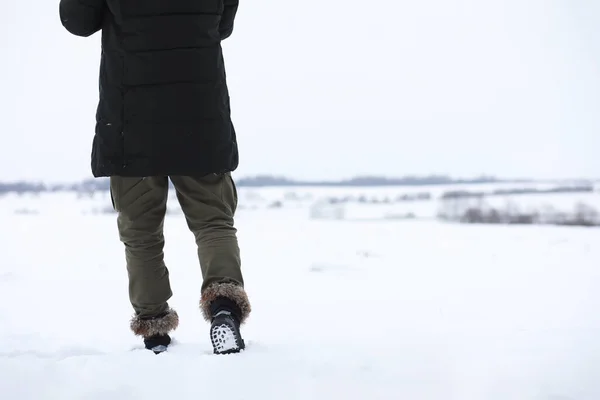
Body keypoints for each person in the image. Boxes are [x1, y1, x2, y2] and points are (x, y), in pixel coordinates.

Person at [59, 0, 250, 355]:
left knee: (141, 233)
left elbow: (77, 20)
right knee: (214, 222)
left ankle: (155, 329)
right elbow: (222, 25)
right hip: (200, 115)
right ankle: (224, 307)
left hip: (131, 121)